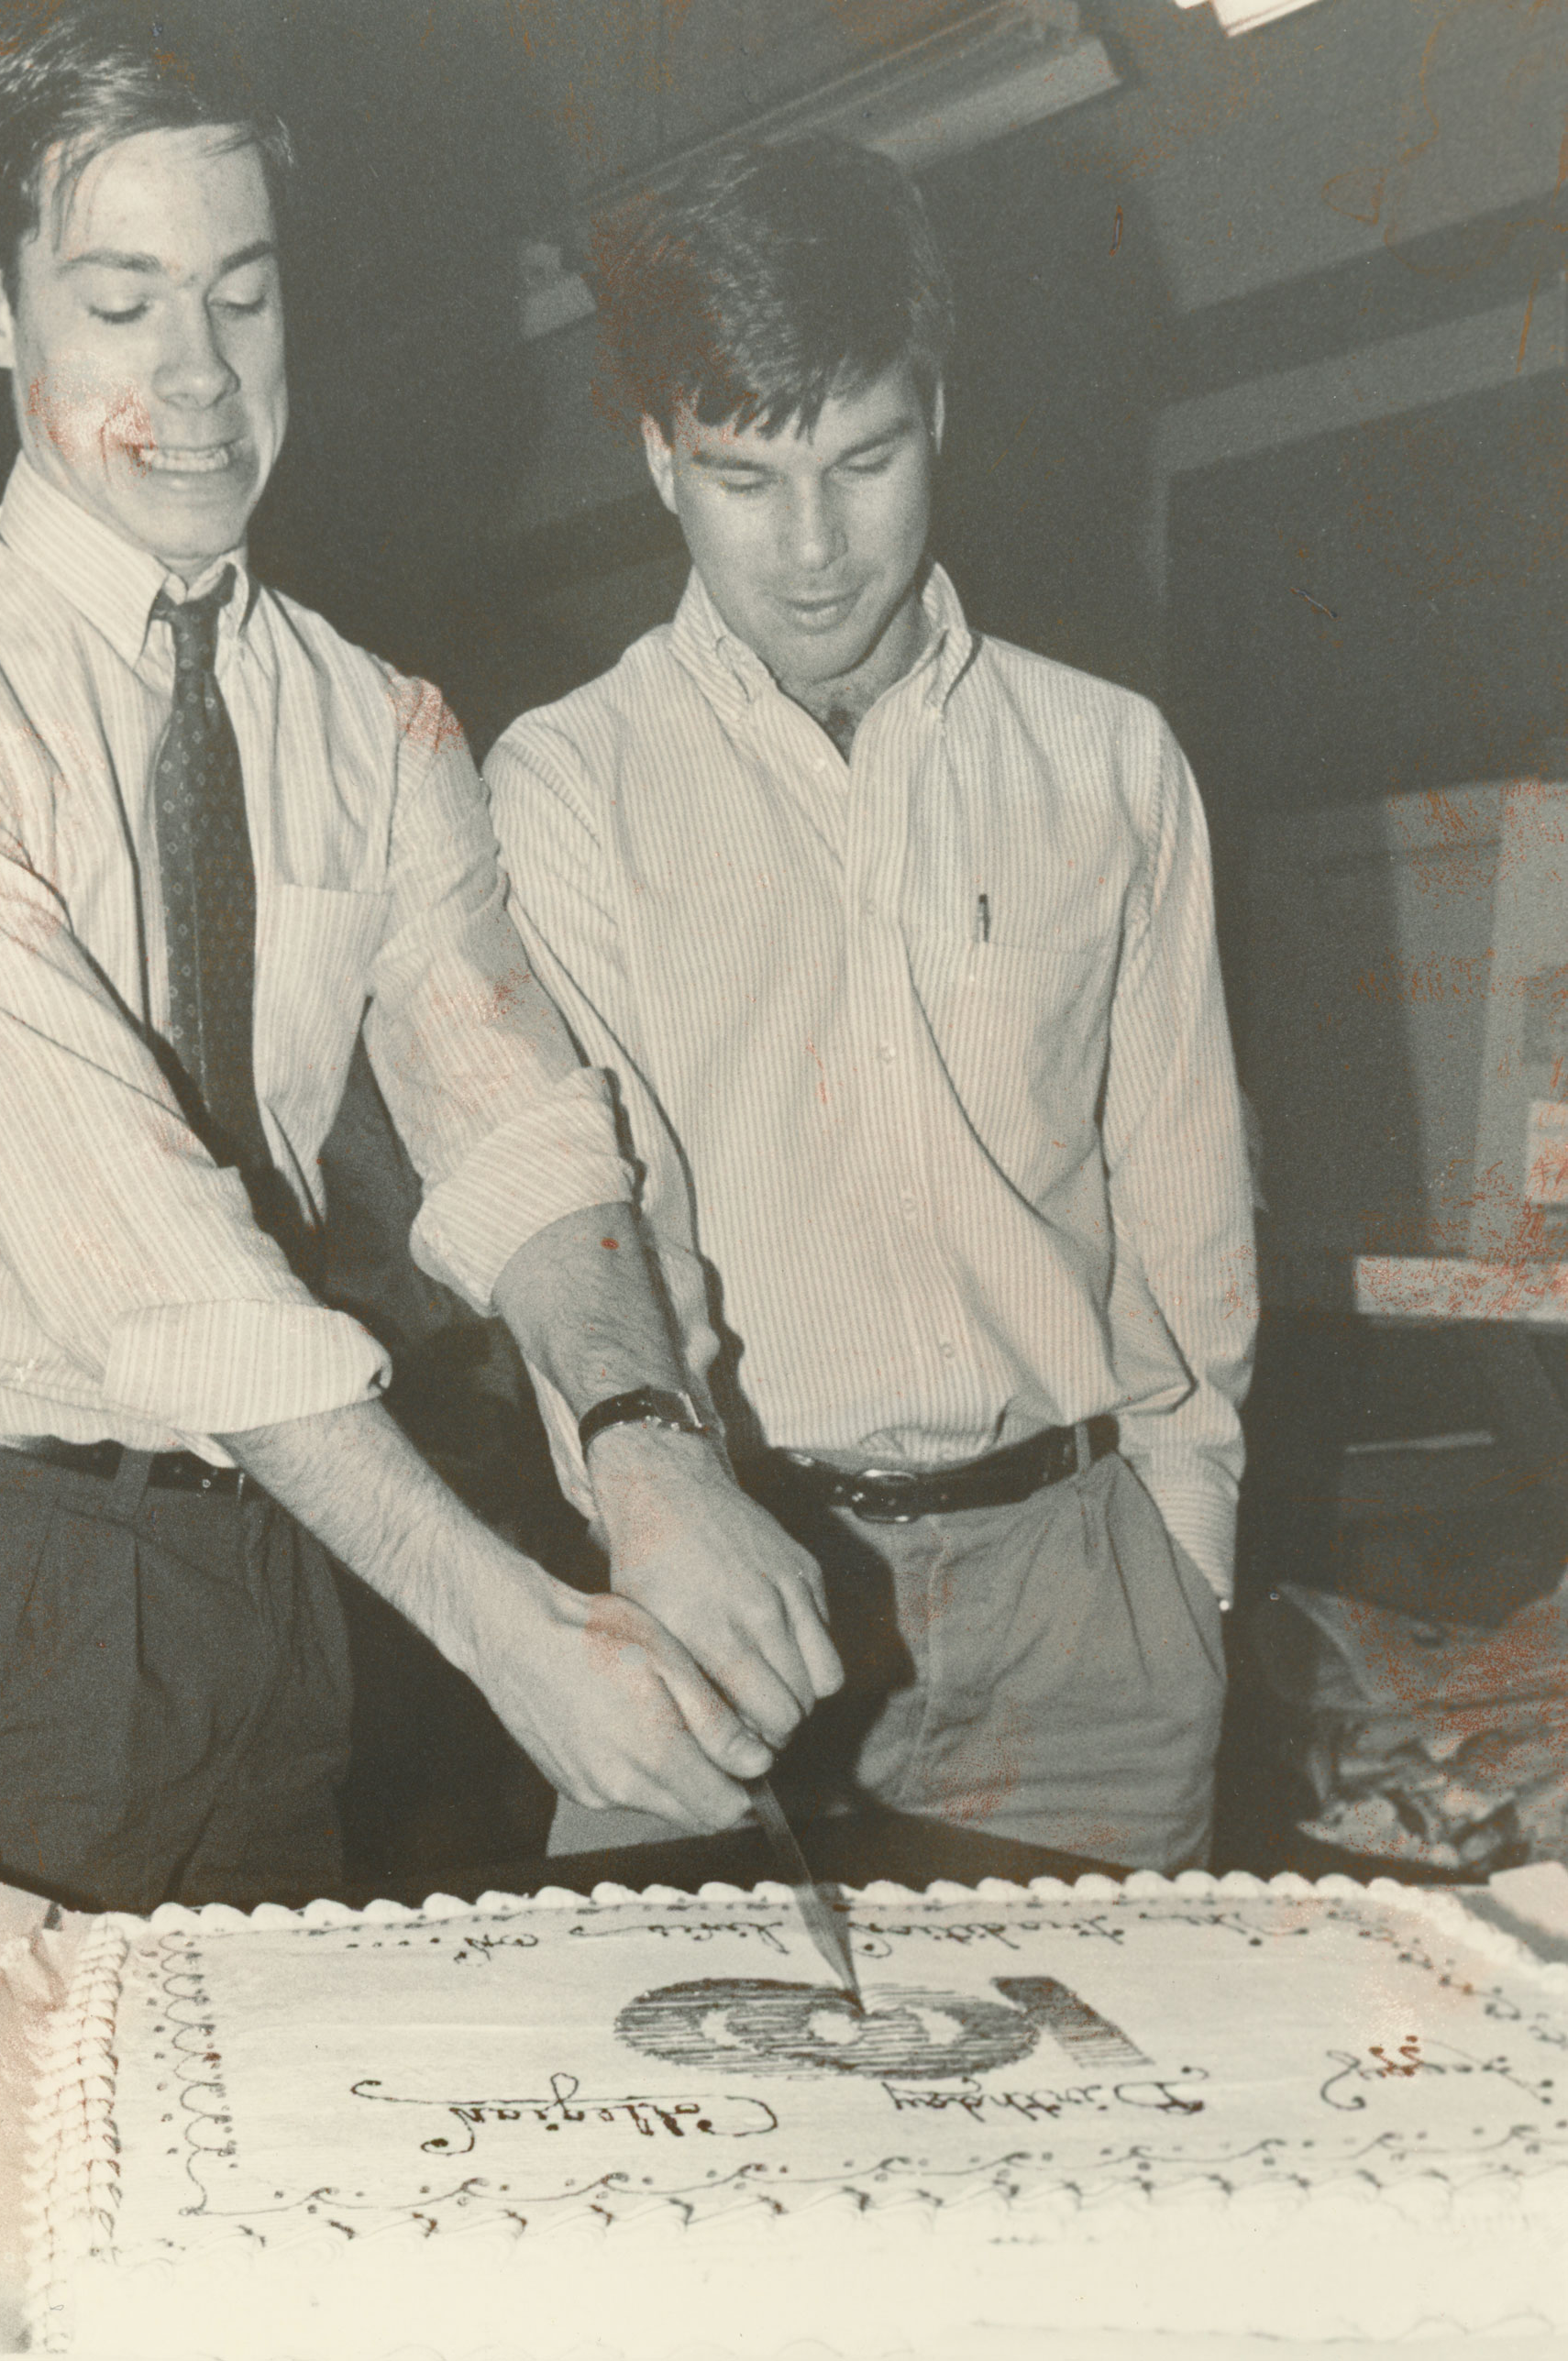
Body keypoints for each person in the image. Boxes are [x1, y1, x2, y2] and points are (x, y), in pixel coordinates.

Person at [0, 5, 841, 1959]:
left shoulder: (373, 720)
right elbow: (146, 1258)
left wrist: (645, 1447)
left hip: (282, 1570)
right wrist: (511, 1624)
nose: (199, 380)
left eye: (243, 299)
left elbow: (509, 1119)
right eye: (120, 303)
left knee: (249, 2199)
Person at [485, 138, 1257, 1873]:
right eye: (746, 480)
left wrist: (1181, 1561)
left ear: (937, 418)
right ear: (655, 462)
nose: (816, 551)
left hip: (1085, 1613)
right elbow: (587, 1225)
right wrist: (658, 1521)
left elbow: (1185, 1196)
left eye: (864, 460)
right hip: (735, 1598)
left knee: (1094, 2136)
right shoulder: (567, 785)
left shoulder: (1106, 761)